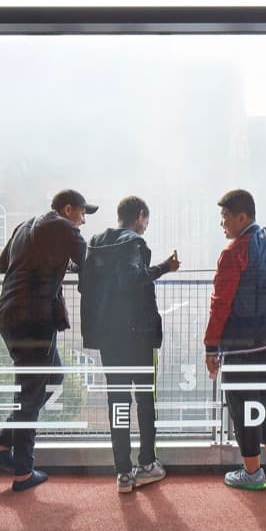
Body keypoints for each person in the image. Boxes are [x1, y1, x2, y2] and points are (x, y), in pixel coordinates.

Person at [0, 189, 94, 493]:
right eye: (82, 213)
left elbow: (1, 265)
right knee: (31, 393)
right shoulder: (63, 227)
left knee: (53, 378)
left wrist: (55, 263)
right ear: (68, 209)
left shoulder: (26, 225)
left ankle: (1, 447)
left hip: (9, 314)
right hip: (34, 318)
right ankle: (22, 471)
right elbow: (87, 261)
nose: (83, 221)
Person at [79, 194, 178, 493]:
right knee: (145, 399)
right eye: (146, 220)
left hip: (108, 335)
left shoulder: (97, 240)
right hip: (137, 333)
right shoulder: (134, 243)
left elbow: (85, 284)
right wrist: (165, 267)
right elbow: (132, 279)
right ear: (139, 215)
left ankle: (123, 471)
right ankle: (147, 463)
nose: (146, 226)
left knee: (118, 400)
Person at [204, 189, 266, 491]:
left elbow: (221, 303)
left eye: (226, 217)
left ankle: (252, 471)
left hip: (244, 342)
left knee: (242, 404)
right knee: (264, 397)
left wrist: (210, 346)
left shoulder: (234, 252)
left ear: (243, 217)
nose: (222, 224)